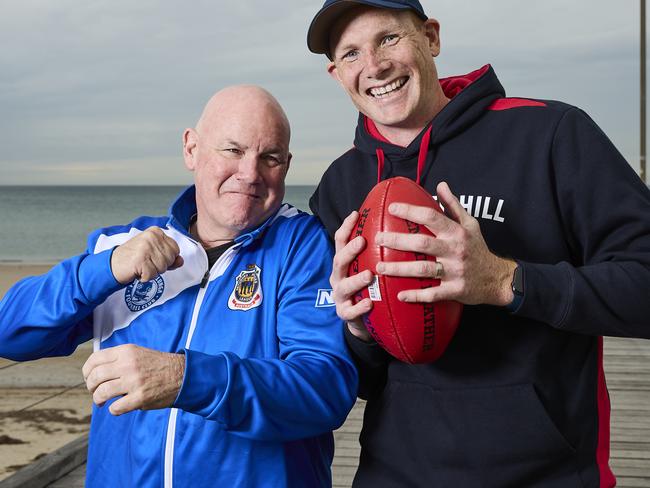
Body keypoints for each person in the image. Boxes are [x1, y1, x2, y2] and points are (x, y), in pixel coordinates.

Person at [307, 1, 650, 486]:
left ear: (431, 38)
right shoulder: (341, 185)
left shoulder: (549, 134)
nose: (374, 66)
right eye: (351, 54)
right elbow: (357, 379)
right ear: (337, 74)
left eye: (389, 39)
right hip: (392, 474)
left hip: (545, 473)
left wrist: (504, 281)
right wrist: (360, 333)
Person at [0, 85, 358, 487]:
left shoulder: (303, 245)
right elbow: (10, 334)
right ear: (191, 149)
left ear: (286, 165)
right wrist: (103, 270)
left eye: (269, 157)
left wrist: (184, 379)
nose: (250, 174)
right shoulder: (122, 246)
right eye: (233, 150)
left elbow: (323, 388)